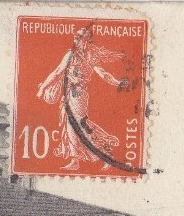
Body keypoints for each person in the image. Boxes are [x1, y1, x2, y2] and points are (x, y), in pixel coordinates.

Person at [36, 26, 128, 172]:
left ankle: (105, 154)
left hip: (78, 94)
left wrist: (117, 83)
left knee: (79, 124)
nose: (76, 39)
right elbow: (57, 72)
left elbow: (102, 73)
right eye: (76, 37)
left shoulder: (91, 55)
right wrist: (42, 88)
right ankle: (75, 159)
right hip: (67, 94)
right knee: (70, 125)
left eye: (80, 37)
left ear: (87, 40)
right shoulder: (70, 55)